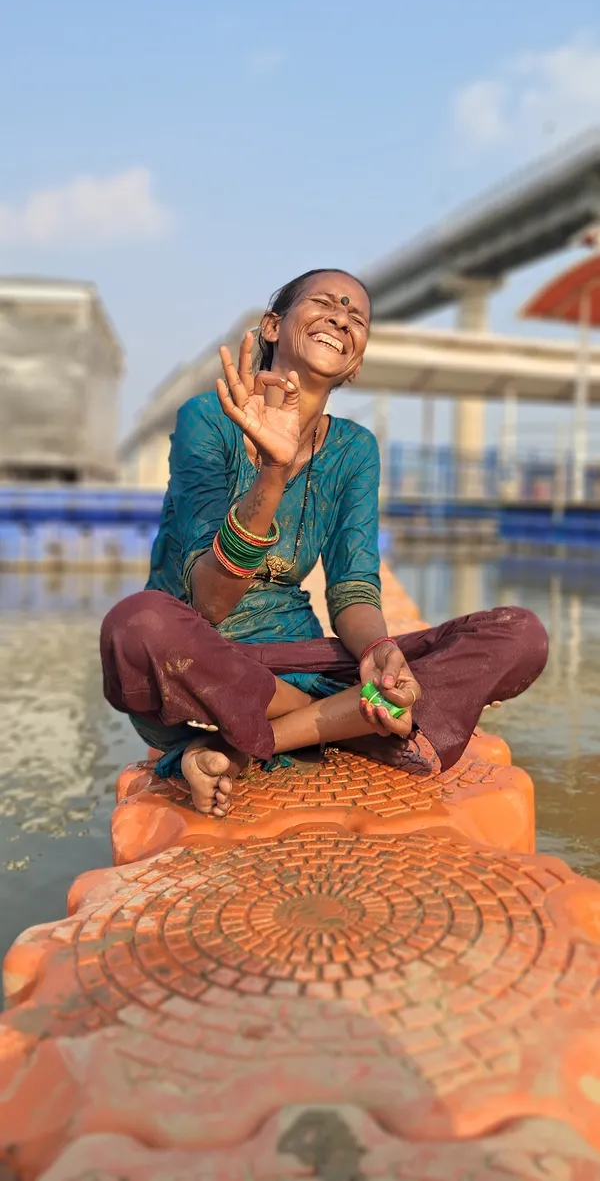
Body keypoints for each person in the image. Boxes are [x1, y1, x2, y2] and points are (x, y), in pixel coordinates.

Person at [101, 268, 549, 817]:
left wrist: (379, 655)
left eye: (357, 316)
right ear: (272, 326)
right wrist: (273, 471)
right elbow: (206, 605)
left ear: (355, 362)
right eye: (324, 303)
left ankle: (246, 742)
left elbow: (353, 590)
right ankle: (353, 719)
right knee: (138, 625)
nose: (342, 316)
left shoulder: (355, 449)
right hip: (204, 662)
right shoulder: (208, 420)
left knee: (517, 634)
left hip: (302, 659)